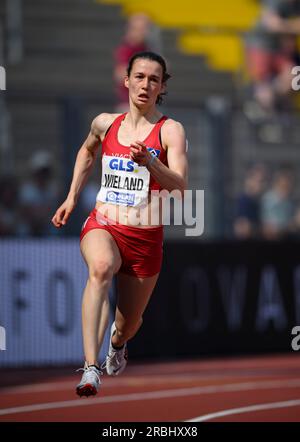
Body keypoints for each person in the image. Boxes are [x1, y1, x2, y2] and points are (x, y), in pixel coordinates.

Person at [52, 51, 188, 397]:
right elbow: (86, 151)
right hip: (104, 223)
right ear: (126, 80)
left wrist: (150, 162)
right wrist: (71, 197)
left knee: (128, 325)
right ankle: (90, 368)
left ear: (162, 87)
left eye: (154, 79)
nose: (145, 84)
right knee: (101, 267)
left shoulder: (169, 130)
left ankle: (116, 342)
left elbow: (180, 186)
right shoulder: (105, 123)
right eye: (139, 76)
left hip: (145, 240)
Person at [245, 0, 300, 115]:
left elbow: (279, 25)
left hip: (281, 50)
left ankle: (271, 102)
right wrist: (292, 26)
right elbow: (272, 24)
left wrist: (284, 25)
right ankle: (263, 107)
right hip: (261, 45)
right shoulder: (276, 2)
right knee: (263, 83)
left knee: (293, 76)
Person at [113, 13, 161, 112]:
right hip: (129, 105)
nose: (143, 32)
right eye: (139, 29)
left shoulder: (147, 48)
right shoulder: (126, 49)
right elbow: (120, 74)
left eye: (146, 29)